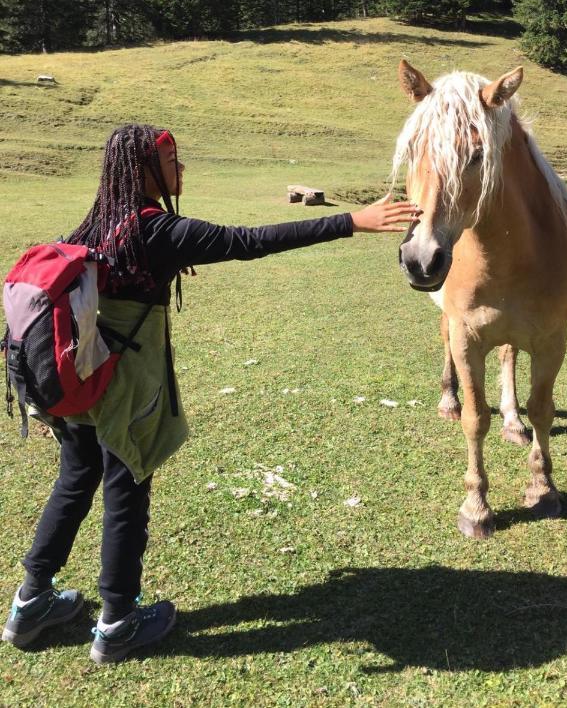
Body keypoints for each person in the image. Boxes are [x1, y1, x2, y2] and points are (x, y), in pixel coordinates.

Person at [2, 123, 419, 664]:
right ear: (141, 170)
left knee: (77, 478)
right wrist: (351, 222)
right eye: (169, 159)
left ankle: (30, 603)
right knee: (127, 488)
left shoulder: (98, 224)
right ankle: (118, 622)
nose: (181, 170)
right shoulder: (156, 231)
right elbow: (249, 242)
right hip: (125, 387)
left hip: (83, 382)